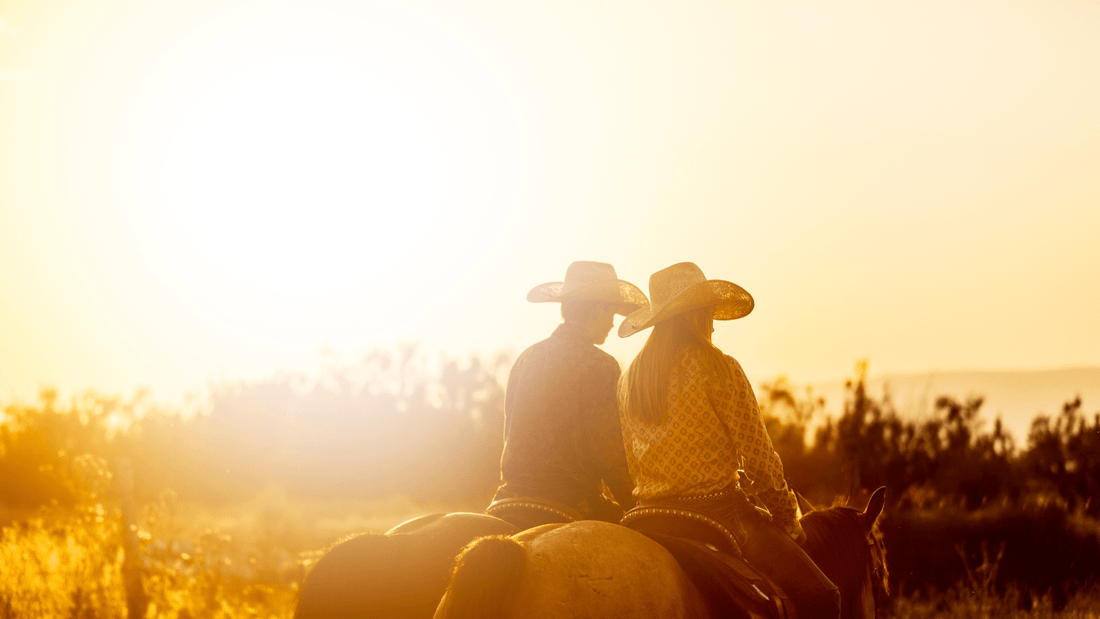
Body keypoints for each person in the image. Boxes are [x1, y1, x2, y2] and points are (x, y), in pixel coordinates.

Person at [617, 262, 840, 619]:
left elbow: (633, 463)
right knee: (823, 597)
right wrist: (788, 519)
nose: (713, 323)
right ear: (693, 314)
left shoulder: (630, 379)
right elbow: (759, 458)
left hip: (647, 515)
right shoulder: (718, 367)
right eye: (708, 311)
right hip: (718, 512)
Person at [488, 261, 648, 530]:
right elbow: (609, 452)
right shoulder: (601, 365)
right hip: (569, 501)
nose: (612, 323)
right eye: (611, 312)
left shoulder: (527, 357)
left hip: (508, 498)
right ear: (599, 308)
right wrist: (635, 505)